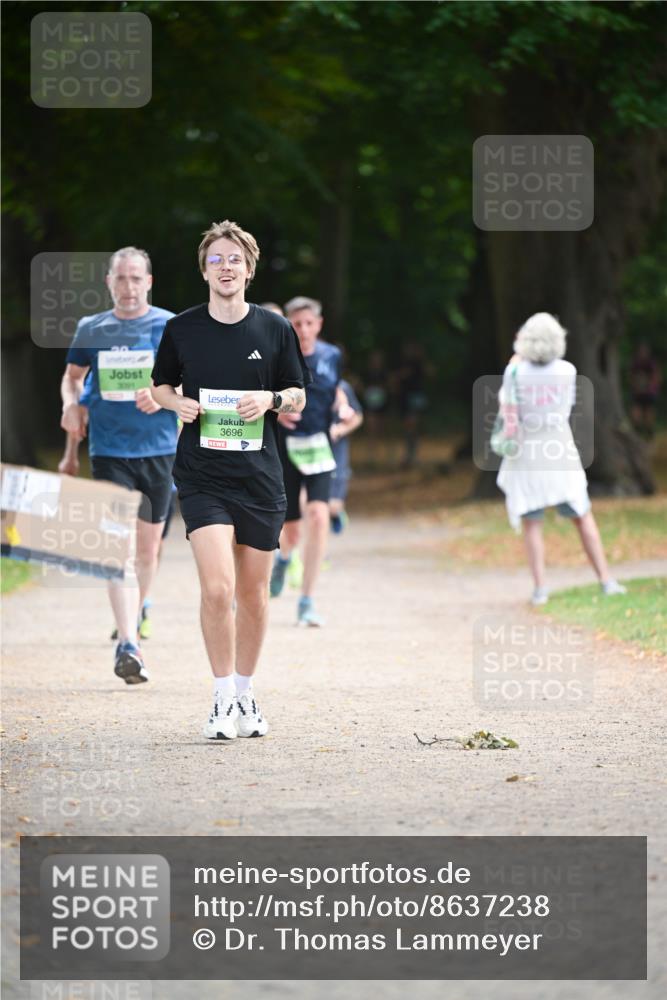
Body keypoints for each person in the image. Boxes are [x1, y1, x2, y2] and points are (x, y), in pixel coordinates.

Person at [150, 220, 309, 740]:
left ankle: (245, 693)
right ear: (204, 269)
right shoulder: (182, 329)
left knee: (254, 594)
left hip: (261, 478)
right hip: (202, 477)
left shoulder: (274, 329)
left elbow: (297, 396)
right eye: (216, 259)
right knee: (218, 589)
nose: (225, 267)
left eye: (234, 259)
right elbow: (161, 387)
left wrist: (270, 400)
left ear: (249, 268)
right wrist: (179, 403)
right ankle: (220, 699)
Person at [60, 247, 178, 683]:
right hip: (110, 453)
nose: (128, 287)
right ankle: (128, 643)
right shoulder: (92, 328)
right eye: (120, 279)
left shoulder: (169, 326)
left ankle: (136, 611)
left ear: (149, 282)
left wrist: (162, 393)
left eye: (136, 278)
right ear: (108, 282)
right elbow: (72, 378)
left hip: (159, 451)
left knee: (147, 551)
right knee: (118, 550)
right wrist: (71, 406)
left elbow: (188, 381)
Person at [496, 312, 627, 605]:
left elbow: (508, 409)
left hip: (527, 451)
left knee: (532, 520)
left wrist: (515, 360)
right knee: (582, 515)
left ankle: (540, 588)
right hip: (558, 448)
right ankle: (605, 579)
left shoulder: (515, 372)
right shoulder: (567, 371)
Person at [269, 297, 341, 626]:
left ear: (319, 324)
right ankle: (283, 559)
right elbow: (261, 395)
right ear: (289, 325)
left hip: (320, 448)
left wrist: (345, 411)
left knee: (319, 515)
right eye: (297, 324)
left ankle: (307, 600)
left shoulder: (331, 355)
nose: (304, 330)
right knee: (292, 530)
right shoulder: (277, 355)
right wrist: (276, 411)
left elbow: (335, 391)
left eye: (309, 323)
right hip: (286, 449)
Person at [329, 380, 364, 533]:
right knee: (310, 506)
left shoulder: (342, 387)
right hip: (309, 454)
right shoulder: (297, 385)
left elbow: (357, 417)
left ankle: (336, 513)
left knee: (333, 506)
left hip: (337, 452)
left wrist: (339, 430)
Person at [630, 341, 662, 439]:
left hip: (649, 393)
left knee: (649, 416)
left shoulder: (651, 363)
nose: (642, 353)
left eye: (644, 351)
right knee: (636, 415)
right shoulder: (636, 363)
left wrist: (649, 386)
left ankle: (650, 435)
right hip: (638, 393)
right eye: (641, 351)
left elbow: (656, 377)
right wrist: (636, 386)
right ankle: (637, 434)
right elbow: (631, 376)